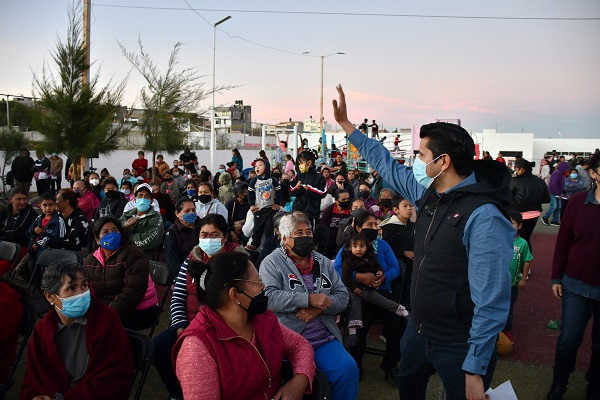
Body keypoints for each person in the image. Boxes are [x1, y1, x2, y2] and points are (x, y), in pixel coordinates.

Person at [333, 85, 513, 399]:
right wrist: (348, 127)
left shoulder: (484, 216)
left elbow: (492, 301)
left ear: (443, 162)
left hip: (459, 343)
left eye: (421, 156)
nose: (416, 162)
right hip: (419, 331)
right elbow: (386, 164)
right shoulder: (429, 195)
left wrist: (475, 369)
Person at [173, 251, 315, 400]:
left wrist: (299, 381)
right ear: (234, 295)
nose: (263, 286)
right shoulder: (197, 348)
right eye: (257, 281)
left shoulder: (261, 318)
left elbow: (300, 345)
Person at [260, 211, 359, 400]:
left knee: (347, 369)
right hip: (288, 341)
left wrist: (319, 308)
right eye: (298, 233)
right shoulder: (271, 263)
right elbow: (269, 297)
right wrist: (308, 299)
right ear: (284, 238)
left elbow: (342, 296)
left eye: (308, 232)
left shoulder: (322, 261)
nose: (305, 236)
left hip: (323, 338)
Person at [153, 214, 248, 400]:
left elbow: (242, 300)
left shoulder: (239, 261)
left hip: (222, 327)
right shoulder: (192, 259)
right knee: (158, 348)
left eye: (214, 235)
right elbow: (178, 296)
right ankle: (177, 392)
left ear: (225, 237)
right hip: (189, 323)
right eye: (204, 235)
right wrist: (180, 327)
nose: (208, 240)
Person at [20, 260, 134, 400]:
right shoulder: (42, 331)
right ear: (50, 297)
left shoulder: (106, 321)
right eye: (71, 288)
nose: (81, 294)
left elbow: (113, 378)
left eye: (84, 286)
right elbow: (32, 378)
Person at [546, 150, 600, 400]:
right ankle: (559, 383)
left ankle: (594, 385)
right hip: (576, 285)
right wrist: (556, 277)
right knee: (568, 340)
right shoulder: (578, 203)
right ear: (594, 174)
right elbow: (564, 242)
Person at [332, 210, 402, 380]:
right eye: (369, 225)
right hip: (360, 294)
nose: (374, 228)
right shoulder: (349, 246)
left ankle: (390, 364)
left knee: (397, 321)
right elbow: (337, 270)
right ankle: (356, 364)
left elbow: (395, 267)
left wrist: (384, 276)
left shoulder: (383, 246)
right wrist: (359, 277)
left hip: (382, 292)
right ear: (358, 227)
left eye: (375, 225)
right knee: (361, 321)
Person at [84, 216, 159, 330]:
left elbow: (134, 291)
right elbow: (88, 290)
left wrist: (107, 314)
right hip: (107, 308)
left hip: (139, 309)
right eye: (105, 232)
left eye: (115, 230)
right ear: (97, 239)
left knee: (103, 329)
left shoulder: (134, 254)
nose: (111, 234)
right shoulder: (90, 261)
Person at [342, 231, 409, 347]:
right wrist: (355, 286)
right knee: (356, 309)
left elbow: (383, 266)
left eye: (362, 246)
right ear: (350, 247)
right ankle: (352, 333)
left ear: (367, 247)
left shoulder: (371, 256)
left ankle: (402, 311)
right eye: (355, 246)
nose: (358, 249)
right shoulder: (348, 259)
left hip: (370, 290)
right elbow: (345, 277)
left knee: (384, 302)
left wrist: (381, 274)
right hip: (356, 291)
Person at [380, 194, 415, 308]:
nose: (409, 208)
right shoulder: (390, 226)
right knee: (402, 294)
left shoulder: (412, 225)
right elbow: (387, 247)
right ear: (396, 210)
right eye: (405, 206)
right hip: (399, 266)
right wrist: (403, 252)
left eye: (410, 206)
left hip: (414, 264)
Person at [509, 158, 550, 252]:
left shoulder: (514, 181)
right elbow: (547, 199)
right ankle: (527, 261)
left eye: (516, 169)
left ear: (521, 169)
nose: (515, 171)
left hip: (518, 214)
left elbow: (508, 198)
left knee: (520, 239)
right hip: (535, 214)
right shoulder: (540, 181)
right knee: (526, 238)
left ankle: (521, 263)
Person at [503, 211, 532, 339]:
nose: (509, 225)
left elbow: (527, 261)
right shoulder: (499, 240)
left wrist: (523, 279)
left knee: (509, 308)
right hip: (499, 281)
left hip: (513, 283)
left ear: (519, 226)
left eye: (513, 223)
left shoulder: (523, 243)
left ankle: (506, 330)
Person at [118, 183, 164, 256]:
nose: (143, 199)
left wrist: (123, 238)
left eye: (147, 196)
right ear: (135, 199)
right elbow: (115, 231)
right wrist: (125, 227)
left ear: (151, 200)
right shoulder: (127, 215)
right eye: (140, 196)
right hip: (123, 255)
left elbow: (148, 241)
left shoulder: (156, 217)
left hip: (144, 257)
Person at [246, 159, 282, 251]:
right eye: (256, 166)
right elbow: (249, 194)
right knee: (258, 227)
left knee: (270, 227)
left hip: (271, 208)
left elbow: (279, 191)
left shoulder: (272, 180)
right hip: (259, 209)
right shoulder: (254, 181)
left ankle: (269, 245)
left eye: (260, 165)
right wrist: (251, 205)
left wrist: (277, 203)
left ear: (266, 167)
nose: (257, 167)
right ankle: (255, 244)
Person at [0, 188, 37, 275]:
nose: (22, 202)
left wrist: (3, 233)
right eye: (18, 199)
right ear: (10, 200)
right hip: (4, 245)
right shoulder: (5, 212)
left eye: (24, 199)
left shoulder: (30, 213)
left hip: (20, 248)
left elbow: (17, 234)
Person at [163, 198, 200, 275]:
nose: (191, 213)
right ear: (177, 213)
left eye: (193, 210)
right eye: (187, 211)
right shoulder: (172, 233)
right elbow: (173, 262)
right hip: (185, 273)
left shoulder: (203, 225)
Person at [26, 192, 65, 263]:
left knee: (36, 267)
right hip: (34, 249)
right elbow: (28, 232)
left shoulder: (59, 220)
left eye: (50, 205)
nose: (48, 208)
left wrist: (38, 244)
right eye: (45, 205)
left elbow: (57, 238)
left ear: (55, 205)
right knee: (21, 268)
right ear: (40, 205)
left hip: (49, 251)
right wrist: (34, 230)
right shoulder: (38, 219)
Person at [291, 151, 327, 227]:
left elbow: (323, 192)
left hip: (311, 213)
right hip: (297, 211)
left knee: (310, 234)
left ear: (309, 162)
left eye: (301, 163)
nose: (300, 165)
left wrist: (309, 188)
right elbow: (291, 189)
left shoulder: (319, 177)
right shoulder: (299, 175)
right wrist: (297, 188)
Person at [320, 188, 352, 258]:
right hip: (329, 240)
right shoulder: (329, 210)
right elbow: (323, 227)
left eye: (348, 199)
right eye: (343, 200)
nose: (346, 201)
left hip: (345, 240)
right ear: (336, 201)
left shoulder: (351, 210)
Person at [542, 161, 570, 227]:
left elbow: (561, 186)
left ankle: (554, 221)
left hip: (557, 192)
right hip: (553, 192)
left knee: (558, 207)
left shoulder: (561, 174)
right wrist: (558, 193)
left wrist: (565, 193)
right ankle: (545, 217)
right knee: (553, 206)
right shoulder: (557, 173)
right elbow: (554, 184)